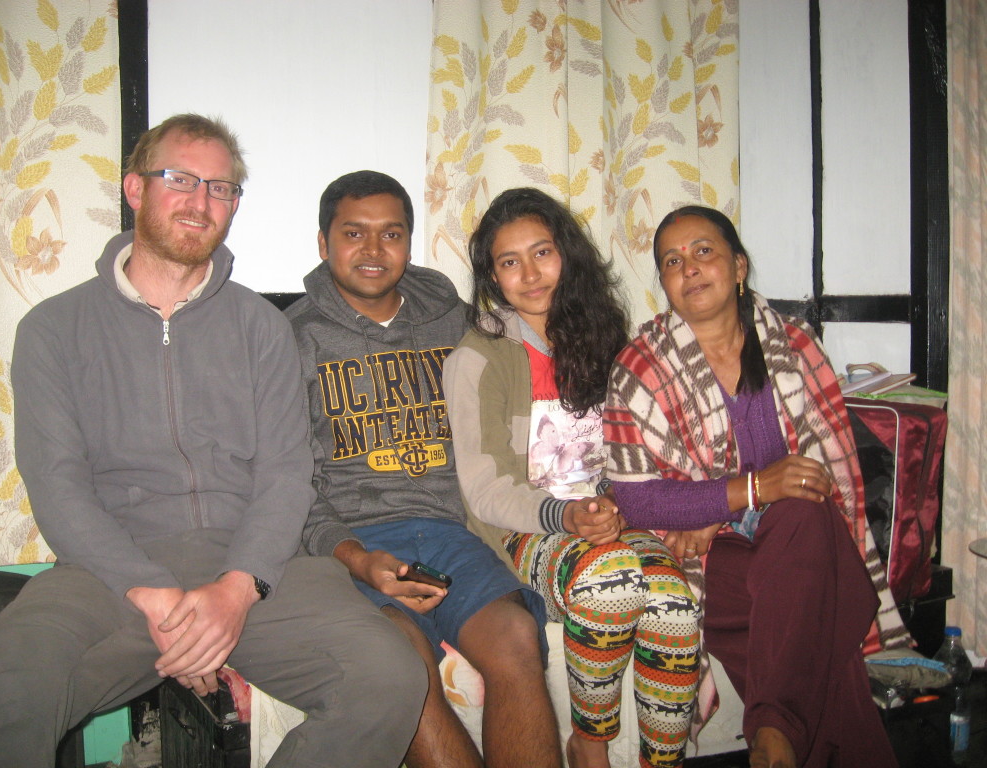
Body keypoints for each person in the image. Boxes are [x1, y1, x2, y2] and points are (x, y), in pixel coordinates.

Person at [0, 115, 426, 768]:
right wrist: (153, 594)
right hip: (112, 576)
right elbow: (58, 487)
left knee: (389, 676)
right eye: (179, 179)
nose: (201, 201)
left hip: (262, 568)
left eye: (220, 187)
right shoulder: (53, 330)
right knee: (0, 700)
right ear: (134, 188)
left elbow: (287, 474)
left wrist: (236, 591)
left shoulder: (262, 327)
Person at [603, 205, 905, 768]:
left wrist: (719, 504)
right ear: (665, 285)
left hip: (799, 546)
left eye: (703, 252)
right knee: (819, 610)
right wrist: (748, 492)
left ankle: (772, 736)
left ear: (739, 266)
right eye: (672, 261)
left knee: (806, 518)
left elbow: (822, 476)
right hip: (710, 563)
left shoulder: (794, 346)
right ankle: (777, 734)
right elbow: (638, 499)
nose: (688, 268)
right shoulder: (640, 367)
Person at [285, 171, 563, 768]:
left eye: (391, 233)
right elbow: (286, 482)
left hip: (450, 531)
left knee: (516, 640)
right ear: (322, 243)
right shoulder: (293, 339)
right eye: (353, 233)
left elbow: (528, 352)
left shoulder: (451, 317)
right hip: (354, 542)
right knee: (403, 668)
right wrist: (356, 556)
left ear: (410, 243)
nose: (373, 249)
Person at [443, 187, 701, 768]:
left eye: (543, 253)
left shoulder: (605, 336)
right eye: (510, 262)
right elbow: (482, 490)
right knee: (609, 585)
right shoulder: (478, 357)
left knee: (673, 604)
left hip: (605, 521)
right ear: (491, 275)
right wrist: (565, 516)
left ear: (569, 256)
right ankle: (589, 746)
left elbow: (643, 449)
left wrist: (651, 512)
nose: (531, 275)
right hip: (522, 532)